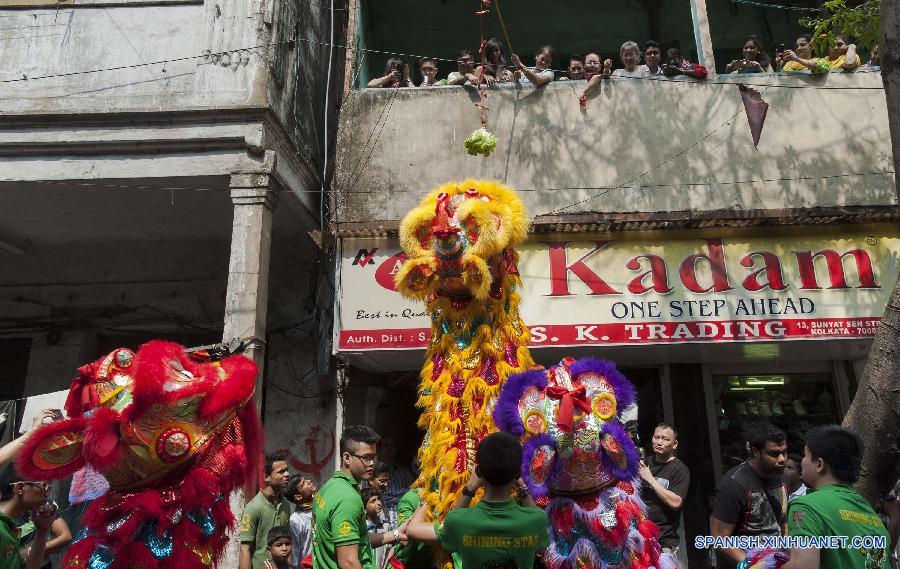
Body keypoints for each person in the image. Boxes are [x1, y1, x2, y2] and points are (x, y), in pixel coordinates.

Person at [784, 425, 891, 569]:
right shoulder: (869, 512)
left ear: (820, 465)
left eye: (805, 455)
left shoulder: (806, 507)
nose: (802, 461)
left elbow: (803, 566)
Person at [438, 432, 549, 569]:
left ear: (478, 472)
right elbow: (541, 543)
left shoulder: (457, 521)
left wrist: (470, 488)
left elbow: (448, 538)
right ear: (518, 474)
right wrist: (522, 488)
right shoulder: (536, 520)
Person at [313, 426, 404, 569]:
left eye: (374, 457)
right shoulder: (347, 499)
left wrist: (396, 534)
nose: (372, 463)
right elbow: (349, 562)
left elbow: (356, 539)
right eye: (366, 458)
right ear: (347, 458)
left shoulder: (329, 487)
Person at [710, 422, 788, 569]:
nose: (782, 459)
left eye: (784, 452)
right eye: (773, 453)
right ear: (755, 452)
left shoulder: (782, 476)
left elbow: (783, 524)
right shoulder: (734, 484)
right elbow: (718, 537)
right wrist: (753, 564)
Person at [639, 424, 690, 558]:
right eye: (656, 437)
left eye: (665, 439)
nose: (659, 442)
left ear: (675, 444)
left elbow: (675, 502)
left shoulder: (679, 470)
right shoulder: (644, 463)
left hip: (664, 544)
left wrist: (650, 478)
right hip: (639, 540)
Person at [241, 452, 293, 569]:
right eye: (281, 472)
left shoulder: (285, 504)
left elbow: (286, 539)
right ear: (266, 477)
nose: (287, 474)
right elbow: (245, 549)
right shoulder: (253, 508)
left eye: (287, 470)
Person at [0, 466, 57, 569]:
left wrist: (42, 532)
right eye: (44, 486)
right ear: (20, 488)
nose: (48, 493)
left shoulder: (10, 527)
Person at [378, 437, 414, 525]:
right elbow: (375, 497)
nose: (389, 448)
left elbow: (411, 494)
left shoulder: (404, 472)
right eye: (386, 446)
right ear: (379, 449)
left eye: (392, 446)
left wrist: (387, 497)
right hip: (381, 521)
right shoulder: (373, 472)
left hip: (403, 519)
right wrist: (400, 495)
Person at [288, 475, 317, 568]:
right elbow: (294, 552)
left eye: (306, 479)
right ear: (298, 497)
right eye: (303, 483)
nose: (309, 481)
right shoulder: (296, 520)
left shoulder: (320, 506)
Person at [362, 488, 390, 569]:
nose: (378, 503)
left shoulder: (386, 526)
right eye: (373, 501)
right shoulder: (362, 528)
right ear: (364, 508)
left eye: (378, 499)